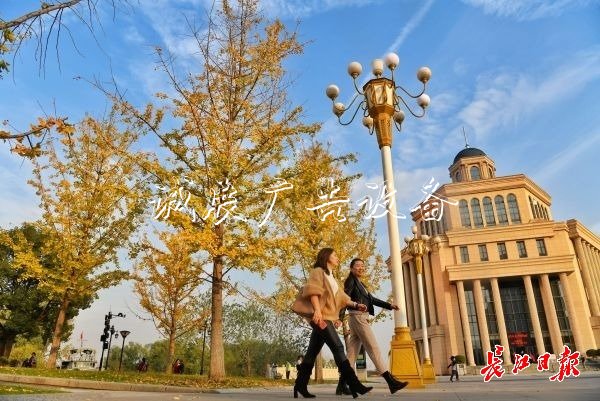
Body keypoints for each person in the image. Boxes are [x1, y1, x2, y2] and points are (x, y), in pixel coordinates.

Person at [293, 248, 372, 399]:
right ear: (326, 256)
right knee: (338, 346)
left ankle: (300, 385)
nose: (337, 258)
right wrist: (317, 311)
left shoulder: (332, 278)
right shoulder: (318, 271)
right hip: (321, 318)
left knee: (311, 352)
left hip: (327, 317)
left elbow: (342, 297)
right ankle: (354, 383)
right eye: (334, 255)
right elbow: (313, 291)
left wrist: (356, 305)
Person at [339, 258, 408, 395]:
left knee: (352, 354)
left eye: (363, 266)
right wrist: (339, 317)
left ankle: (342, 384)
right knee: (373, 348)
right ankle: (391, 382)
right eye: (358, 265)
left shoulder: (360, 283)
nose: (361, 268)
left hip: (358, 318)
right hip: (358, 317)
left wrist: (389, 306)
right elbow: (344, 299)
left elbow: (372, 300)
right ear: (351, 268)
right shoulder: (351, 281)